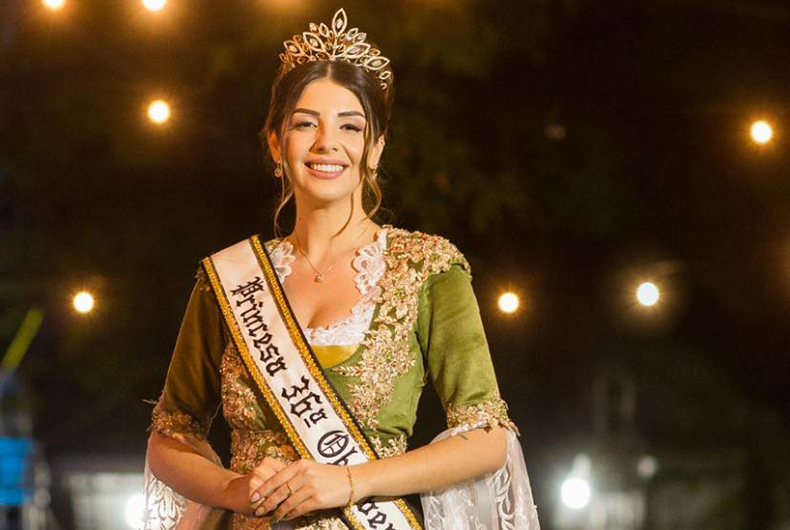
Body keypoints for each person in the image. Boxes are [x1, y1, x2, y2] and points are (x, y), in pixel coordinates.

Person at [142, 8, 539, 530]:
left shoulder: (428, 267)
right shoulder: (227, 279)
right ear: (275, 143)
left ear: (375, 148)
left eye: (350, 126)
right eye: (305, 123)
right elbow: (170, 435)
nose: (326, 142)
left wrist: (352, 481)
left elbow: (487, 436)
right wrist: (233, 489)